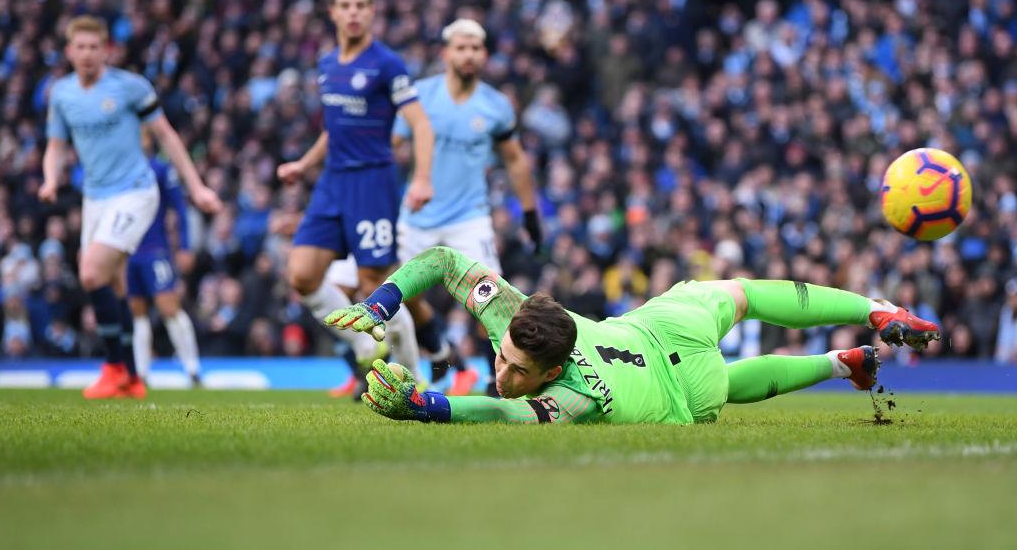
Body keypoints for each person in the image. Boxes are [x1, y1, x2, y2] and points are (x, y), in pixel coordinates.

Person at [325, 247, 941, 424]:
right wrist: (383, 306)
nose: (502, 374)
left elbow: (498, 414)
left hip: (685, 387)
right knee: (743, 293)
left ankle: (854, 343)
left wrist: (424, 406)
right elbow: (441, 260)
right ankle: (859, 337)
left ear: (552, 372)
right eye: (503, 357)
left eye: (516, 371)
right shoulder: (512, 316)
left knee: (724, 380)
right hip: (660, 322)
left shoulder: (576, 396)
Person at [325, 18, 541, 395]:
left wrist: (531, 213)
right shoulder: (420, 95)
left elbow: (516, 160)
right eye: (461, 47)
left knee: (491, 299)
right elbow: (389, 145)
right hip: (416, 217)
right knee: (360, 284)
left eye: (476, 48)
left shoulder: (496, 105)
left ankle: (496, 379)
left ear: (485, 54)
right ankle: (411, 358)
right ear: (445, 53)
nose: (469, 54)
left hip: (469, 218)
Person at [39, 16, 221, 399]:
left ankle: (114, 367)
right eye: (80, 47)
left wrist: (197, 187)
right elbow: (56, 145)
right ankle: (134, 378)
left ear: (106, 50)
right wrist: (51, 179)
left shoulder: (130, 88)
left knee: (91, 273)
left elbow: (167, 136)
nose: (87, 54)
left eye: (94, 47)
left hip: (135, 192)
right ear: (69, 51)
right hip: (95, 198)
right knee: (117, 286)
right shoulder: (61, 94)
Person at [276, 0, 434, 393]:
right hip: (332, 184)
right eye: (344, 5)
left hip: (372, 183)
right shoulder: (328, 65)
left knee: (374, 285)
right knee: (302, 275)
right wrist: (303, 164)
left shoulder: (387, 64)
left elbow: (420, 123)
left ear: (371, 11)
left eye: (360, 5)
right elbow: (334, 129)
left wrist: (420, 178)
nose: (352, 12)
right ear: (332, 12)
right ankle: (365, 342)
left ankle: (415, 382)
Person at [127, 130, 202, 386]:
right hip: (127, 250)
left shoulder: (160, 170)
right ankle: (141, 373)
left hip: (154, 250)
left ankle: (192, 368)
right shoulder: (120, 171)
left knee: (168, 307)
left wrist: (184, 246)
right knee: (136, 311)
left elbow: (179, 210)